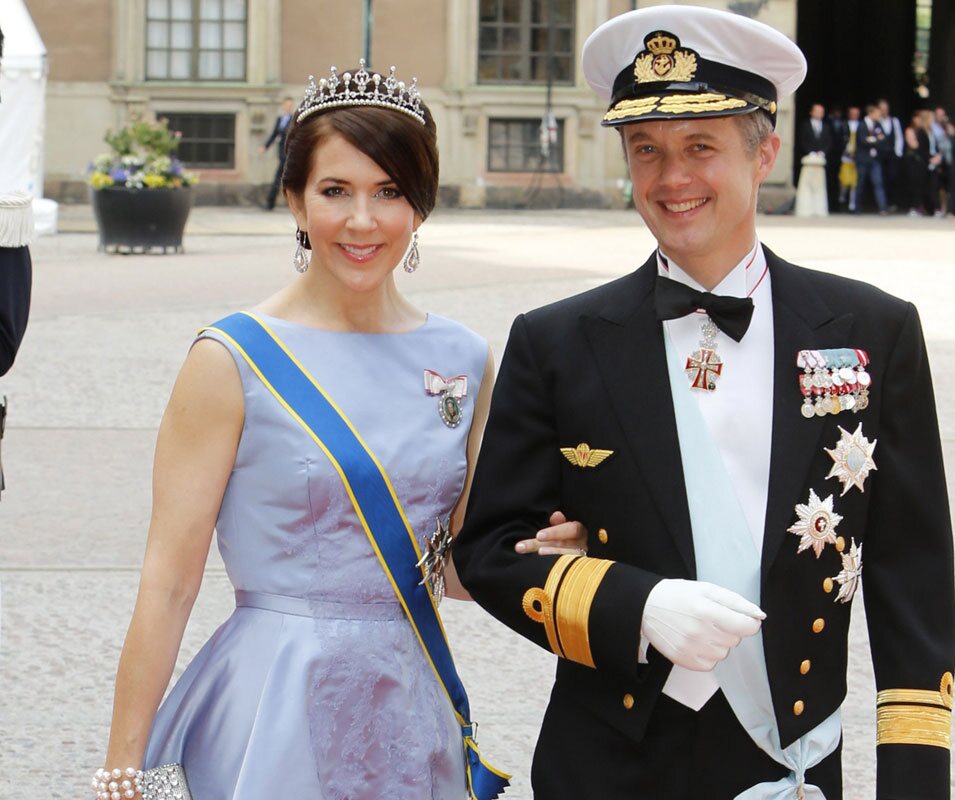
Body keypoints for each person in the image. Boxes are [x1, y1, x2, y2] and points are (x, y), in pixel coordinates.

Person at [454, 6, 954, 799]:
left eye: (700, 147)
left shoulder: (873, 331)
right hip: (605, 758)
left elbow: (913, 578)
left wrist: (915, 781)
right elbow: (486, 549)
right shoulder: (555, 340)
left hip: (785, 757)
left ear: (765, 154)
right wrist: (635, 603)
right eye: (645, 150)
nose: (669, 178)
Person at [93, 62, 588, 800]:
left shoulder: (461, 357)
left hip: (408, 701)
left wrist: (548, 553)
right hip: (272, 705)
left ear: (420, 208)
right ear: (293, 199)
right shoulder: (229, 359)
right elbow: (169, 581)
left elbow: (456, 570)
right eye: (335, 191)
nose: (363, 220)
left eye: (390, 192)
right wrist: (123, 770)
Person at [258, 96, 294, 210]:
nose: (288, 106)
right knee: (280, 178)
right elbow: (274, 135)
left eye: (290, 105)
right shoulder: (280, 119)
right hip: (282, 153)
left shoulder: (293, 119)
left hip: (289, 153)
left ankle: (271, 203)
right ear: (283, 105)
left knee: (281, 178)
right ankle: (270, 203)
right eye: (286, 104)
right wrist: (265, 147)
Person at [855, 104, 890, 214]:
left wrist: (872, 140)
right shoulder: (861, 125)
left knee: (878, 182)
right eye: (877, 113)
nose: (879, 115)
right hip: (863, 159)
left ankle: (882, 208)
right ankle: (857, 208)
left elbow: (883, 139)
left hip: (875, 159)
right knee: (860, 183)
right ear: (870, 113)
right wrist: (875, 139)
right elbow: (862, 141)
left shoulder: (878, 125)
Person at [876, 99, 903, 209]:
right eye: (881, 109)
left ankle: (892, 201)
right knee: (880, 178)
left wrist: (898, 152)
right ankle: (883, 203)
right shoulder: (876, 121)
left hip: (892, 154)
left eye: (885, 109)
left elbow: (898, 137)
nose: (884, 111)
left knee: (892, 177)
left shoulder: (894, 121)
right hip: (880, 154)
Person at [837, 105, 861, 212]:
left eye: (856, 114)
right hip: (845, 157)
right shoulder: (843, 125)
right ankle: (841, 200)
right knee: (844, 182)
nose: (854, 115)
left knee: (854, 183)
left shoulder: (861, 125)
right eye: (852, 113)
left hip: (856, 158)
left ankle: (852, 205)